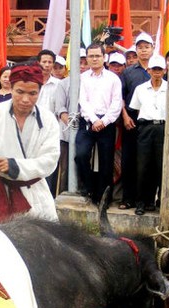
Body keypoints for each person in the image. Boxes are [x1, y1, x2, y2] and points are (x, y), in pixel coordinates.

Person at [0, 63, 60, 225]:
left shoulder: (48, 120)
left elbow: (50, 160)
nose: (25, 99)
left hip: (36, 193)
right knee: (3, 243)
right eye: (20, 92)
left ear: (40, 91)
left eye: (32, 93)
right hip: (0, 191)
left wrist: (15, 166)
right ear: (11, 88)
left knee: (43, 244)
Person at [76, 43, 122, 204]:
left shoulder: (113, 79)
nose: (94, 59)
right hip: (88, 121)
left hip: (107, 123)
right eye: (91, 56)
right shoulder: (82, 78)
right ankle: (89, 188)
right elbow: (82, 101)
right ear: (86, 58)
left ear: (104, 57)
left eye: (97, 56)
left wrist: (103, 121)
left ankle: (103, 197)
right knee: (81, 155)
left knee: (106, 161)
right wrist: (94, 120)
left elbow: (116, 104)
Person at [128, 55, 168, 216]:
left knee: (161, 166)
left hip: (163, 128)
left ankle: (158, 202)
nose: (157, 72)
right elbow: (136, 108)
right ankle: (141, 202)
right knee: (143, 166)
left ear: (164, 71)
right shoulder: (140, 89)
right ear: (148, 70)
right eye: (154, 69)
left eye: (160, 69)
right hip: (145, 128)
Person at [119, 32, 154, 210]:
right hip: (132, 119)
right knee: (129, 160)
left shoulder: (160, 70)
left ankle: (148, 200)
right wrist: (125, 116)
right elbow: (121, 97)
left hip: (152, 121)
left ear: (152, 49)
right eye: (140, 47)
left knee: (149, 162)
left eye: (146, 47)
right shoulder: (128, 72)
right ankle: (128, 199)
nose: (143, 51)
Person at [53, 49, 90, 196]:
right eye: (79, 63)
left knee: (83, 161)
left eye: (84, 63)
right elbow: (60, 107)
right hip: (67, 131)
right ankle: (62, 194)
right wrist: (69, 121)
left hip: (87, 130)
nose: (82, 66)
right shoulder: (63, 84)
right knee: (65, 167)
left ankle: (85, 191)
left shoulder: (91, 82)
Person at [36, 49, 60, 114]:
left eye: (50, 62)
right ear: (38, 63)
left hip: (52, 122)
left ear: (53, 64)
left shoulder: (59, 84)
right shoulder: (31, 82)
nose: (47, 65)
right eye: (44, 62)